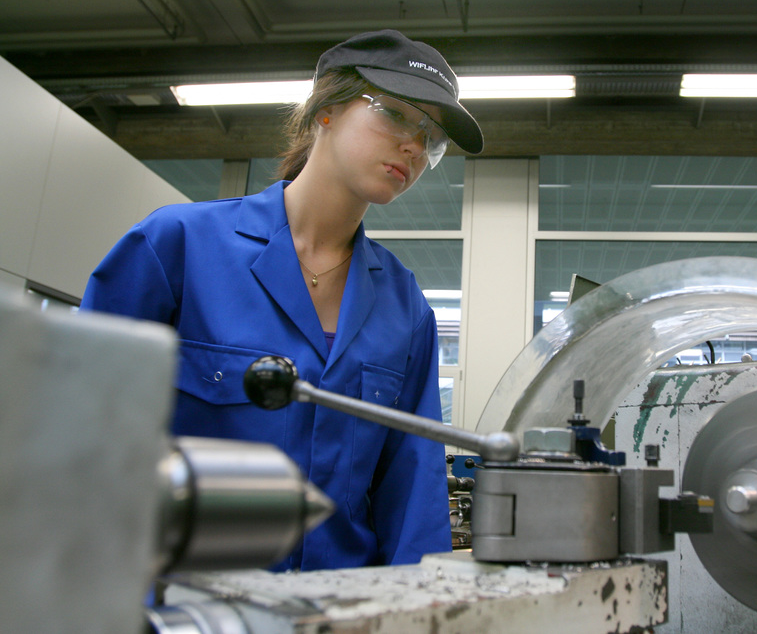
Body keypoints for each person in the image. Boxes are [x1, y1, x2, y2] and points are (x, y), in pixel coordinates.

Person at [80, 29, 484, 570]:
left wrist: (419, 606)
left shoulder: (404, 305)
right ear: (326, 110)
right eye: (394, 114)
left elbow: (413, 488)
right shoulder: (175, 247)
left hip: (345, 604)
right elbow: (82, 441)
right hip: (191, 597)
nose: (414, 145)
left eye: (431, 135)